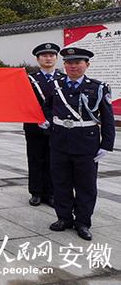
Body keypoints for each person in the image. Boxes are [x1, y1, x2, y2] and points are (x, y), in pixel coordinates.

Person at [43, 47, 115, 241]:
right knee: (60, 183)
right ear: (64, 65)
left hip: (86, 143)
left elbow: (108, 119)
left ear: (87, 65)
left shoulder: (99, 87)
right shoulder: (55, 85)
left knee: (86, 185)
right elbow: (47, 107)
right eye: (69, 62)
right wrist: (49, 122)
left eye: (77, 62)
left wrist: (106, 145)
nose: (73, 66)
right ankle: (64, 218)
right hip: (59, 142)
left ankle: (83, 222)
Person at [25, 43, 63, 207]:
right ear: (38, 59)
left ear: (56, 58)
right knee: (35, 158)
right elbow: (23, 102)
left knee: (54, 161)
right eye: (44, 56)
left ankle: (52, 193)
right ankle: (36, 192)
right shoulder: (29, 79)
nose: (48, 58)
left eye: (51, 55)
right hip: (34, 125)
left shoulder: (63, 79)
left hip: (56, 126)